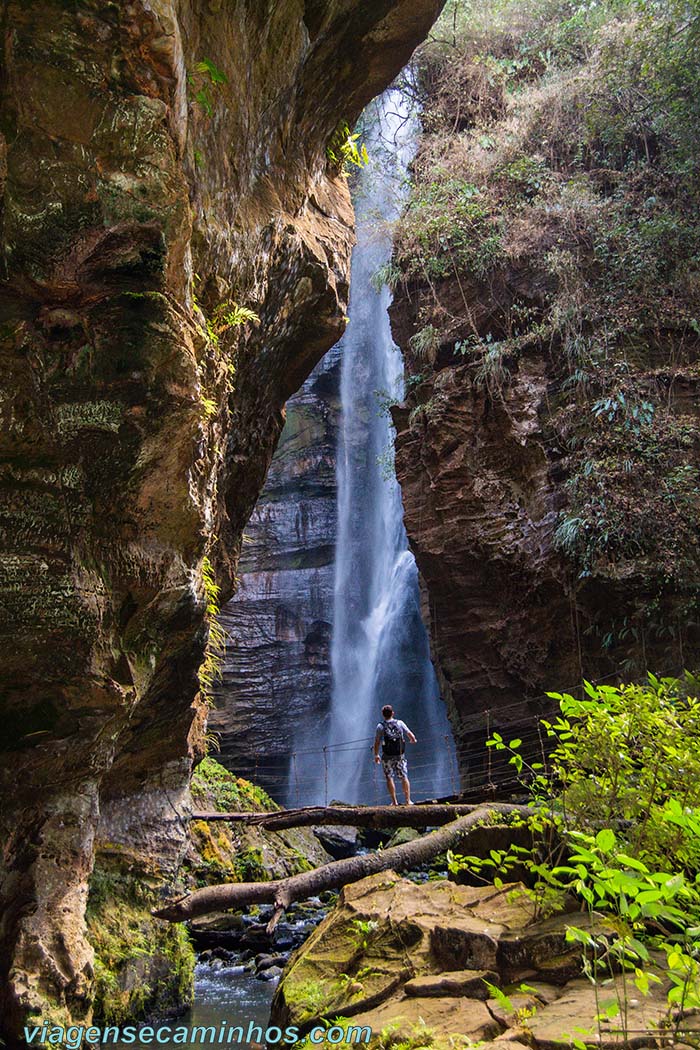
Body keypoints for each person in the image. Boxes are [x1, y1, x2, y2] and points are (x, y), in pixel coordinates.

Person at [373, 704, 417, 805]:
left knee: (389, 777)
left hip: (387, 756)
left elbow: (377, 742)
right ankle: (408, 800)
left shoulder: (380, 726)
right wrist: (413, 740)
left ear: (383, 715)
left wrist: (376, 755)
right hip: (399, 755)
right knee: (404, 776)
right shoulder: (400, 723)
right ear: (393, 713)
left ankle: (394, 801)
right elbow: (410, 734)